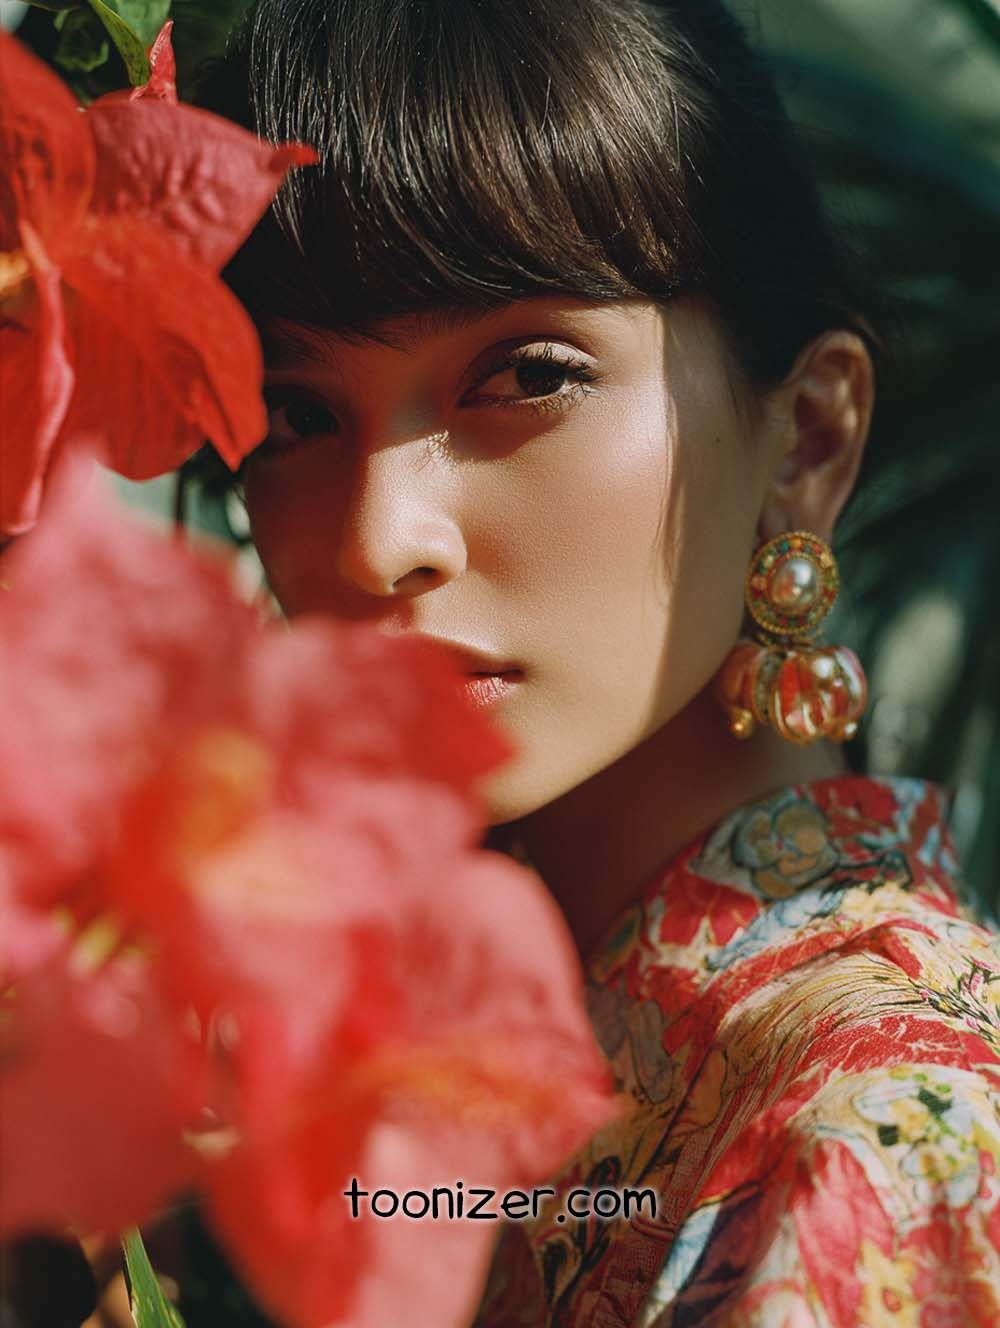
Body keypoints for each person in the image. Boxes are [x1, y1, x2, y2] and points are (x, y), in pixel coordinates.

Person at [203, 1, 1000, 1323]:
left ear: (804, 442)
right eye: (298, 413)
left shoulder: (884, 1138)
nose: (375, 538)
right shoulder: (464, 1082)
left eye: (525, 375)